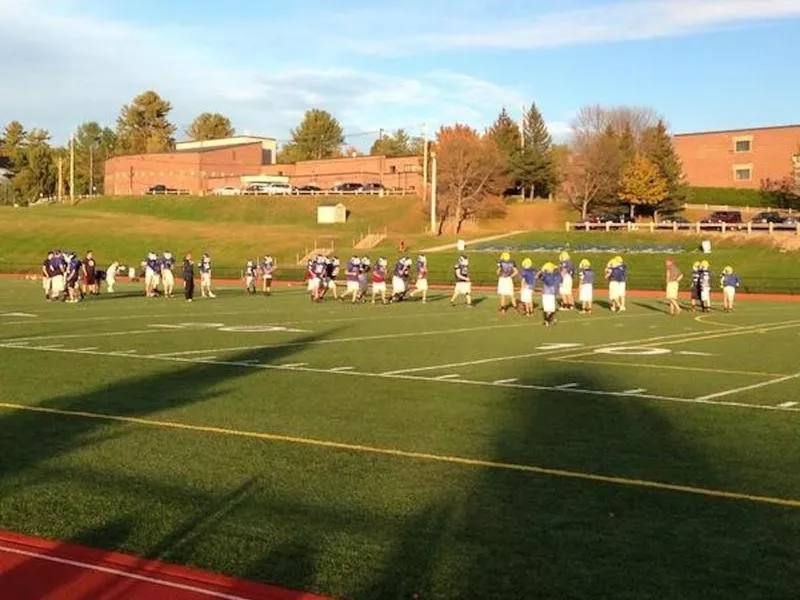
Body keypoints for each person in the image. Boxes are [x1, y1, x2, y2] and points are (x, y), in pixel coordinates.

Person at [539, 262, 562, 326]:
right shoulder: (556, 275)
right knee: (551, 309)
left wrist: (542, 271)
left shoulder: (545, 275)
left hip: (546, 293)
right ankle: (550, 320)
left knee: (546, 309)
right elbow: (559, 279)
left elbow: (537, 276)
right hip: (552, 293)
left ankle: (547, 320)